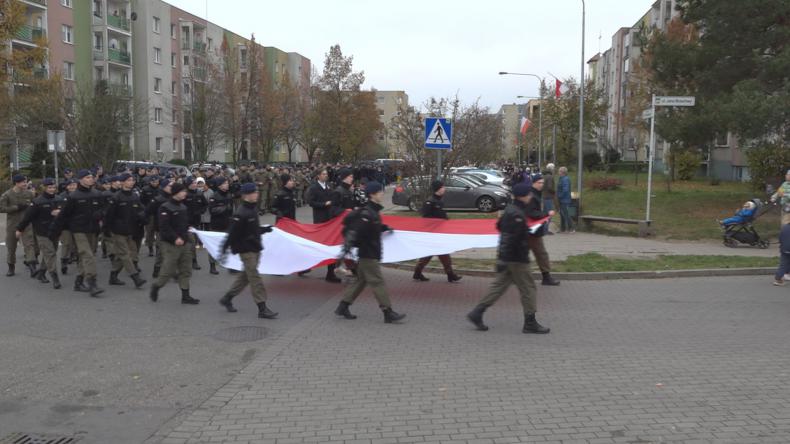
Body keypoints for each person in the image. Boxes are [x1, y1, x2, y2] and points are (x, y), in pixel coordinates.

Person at [467, 183, 550, 334]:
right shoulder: (517, 214)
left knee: (498, 287)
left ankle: (477, 312)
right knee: (529, 288)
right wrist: (505, 259)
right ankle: (530, 322)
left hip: (508, 258)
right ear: (523, 196)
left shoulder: (511, 210)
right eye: (528, 194)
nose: (530, 196)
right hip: (517, 259)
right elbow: (509, 239)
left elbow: (500, 227)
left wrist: (502, 259)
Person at [333, 181, 406, 323]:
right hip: (368, 254)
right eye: (380, 192)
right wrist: (345, 252)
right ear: (372, 194)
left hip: (369, 252)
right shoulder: (367, 213)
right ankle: (388, 312)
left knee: (360, 281)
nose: (382, 194)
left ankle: (343, 306)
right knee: (377, 282)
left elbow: (371, 228)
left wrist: (384, 227)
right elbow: (355, 232)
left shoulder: (373, 211)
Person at [218, 183, 277, 318]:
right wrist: (224, 250)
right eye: (253, 192)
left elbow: (252, 229)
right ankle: (262, 308)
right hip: (246, 250)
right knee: (255, 278)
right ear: (246, 195)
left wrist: (264, 229)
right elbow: (231, 233)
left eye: (256, 192)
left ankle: (227, 298)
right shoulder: (240, 213)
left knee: (245, 277)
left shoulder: (252, 209)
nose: (256, 194)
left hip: (255, 247)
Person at [50, 169, 105, 296]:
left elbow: (104, 208)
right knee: (88, 255)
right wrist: (53, 230)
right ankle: (92, 283)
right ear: (80, 180)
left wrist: (100, 214)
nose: (91, 179)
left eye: (91, 177)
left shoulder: (97, 194)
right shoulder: (73, 196)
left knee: (85, 257)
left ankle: (78, 282)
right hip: (78, 230)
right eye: (87, 177)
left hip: (93, 229)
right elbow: (63, 215)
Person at [149, 183, 200, 305]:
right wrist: (175, 238)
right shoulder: (165, 207)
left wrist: (189, 228)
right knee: (168, 270)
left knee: (186, 270)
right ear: (175, 193)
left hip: (185, 243)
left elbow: (184, 223)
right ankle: (157, 286)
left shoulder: (183, 207)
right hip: (170, 244)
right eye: (182, 191)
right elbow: (164, 227)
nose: (185, 193)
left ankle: (185, 296)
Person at [412, 180, 462, 283]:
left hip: (439, 232)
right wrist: (437, 223)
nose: (444, 189)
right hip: (432, 233)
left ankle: (418, 272)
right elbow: (426, 217)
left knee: (431, 253)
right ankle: (450, 274)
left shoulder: (439, 201)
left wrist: (446, 220)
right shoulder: (430, 202)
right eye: (442, 187)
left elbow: (441, 215)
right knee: (442, 252)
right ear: (438, 189)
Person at [103, 173, 147, 289]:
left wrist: (143, 217)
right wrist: (106, 229)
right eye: (128, 180)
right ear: (122, 182)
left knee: (125, 254)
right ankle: (136, 278)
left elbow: (140, 210)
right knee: (125, 254)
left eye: (132, 180)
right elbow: (108, 215)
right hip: (118, 231)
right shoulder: (116, 197)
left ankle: (113, 276)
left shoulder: (134, 196)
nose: (131, 182)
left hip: (130, 230)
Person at [16, 178, 61, 288]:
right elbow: (27, 217)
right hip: (42, 232)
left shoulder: (59, 199)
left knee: (50, 253)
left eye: (53, 187)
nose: (52, 189)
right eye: (49, 187)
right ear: (44, 188)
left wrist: (61, 213)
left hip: (55, 231)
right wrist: (19, 229)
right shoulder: (37, 202)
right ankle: (55, 277)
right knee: (50, 253)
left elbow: (66, 214)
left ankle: (41, 273)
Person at [307, 169, 341, 282]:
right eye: (323, 174)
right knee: (317, 246)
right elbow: (311, 202)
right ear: (318, 176)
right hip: (320, 219)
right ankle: (305, 265)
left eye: (326, 174)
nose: (326, 176)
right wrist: (323, 204)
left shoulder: (329, 185)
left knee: (330, 245)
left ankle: (330, 273)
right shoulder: (313, 188)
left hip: (330, 218)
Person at [525, 174, 560, 286]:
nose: (541, 185)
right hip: (531, 230)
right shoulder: (532, 195)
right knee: (541, 254)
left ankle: (545, 277)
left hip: (532, 229)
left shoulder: (536, 194)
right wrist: (546, 214)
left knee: (535, 254)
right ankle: (546, 277)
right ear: (533, 183)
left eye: (542, 183)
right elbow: (531, 213)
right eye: (539, 182)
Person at [1, 174, 36, 277]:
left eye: (26, 182)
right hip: (13, 224)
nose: (25, 184)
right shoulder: (7, 195)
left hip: (26, 223)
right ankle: (11, 267)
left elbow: (35, 205)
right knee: (11, 247)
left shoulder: (29, 194)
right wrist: (16, 207)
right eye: (23, 182)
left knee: (29, 245)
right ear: (16, 183)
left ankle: (32, 267)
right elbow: (1, 208)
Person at [207, 176, 234, 275]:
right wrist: (224, 208)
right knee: (214, 246)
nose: (227, 185)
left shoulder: (229, 195)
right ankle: (212, 265)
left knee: (229, 245)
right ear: (219, 185)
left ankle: (231, 265)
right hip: (216, 225)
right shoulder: (214, 196)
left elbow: (231, 210)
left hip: (228, 223)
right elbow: (212, 210)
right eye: (225, 183)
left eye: (227, 183)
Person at [184, 177, 208, 270]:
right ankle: (193, 261)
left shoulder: (199, 193)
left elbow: (205, 204)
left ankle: (191, 260)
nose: (194, 185)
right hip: (186, 223)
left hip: (196, 222)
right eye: (192, 183)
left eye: (195, 183)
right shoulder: (184, 194)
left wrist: (201, 211)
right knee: (192, 242)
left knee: (192, 242)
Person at [556, 166, 575, 233]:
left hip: (565, 199)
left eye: (559, 171)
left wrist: (559, 196)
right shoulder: (561, 178)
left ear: (562, 172)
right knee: (562, 214)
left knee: (566, 214)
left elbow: (565, 190)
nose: (558, 172)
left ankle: (571, 228)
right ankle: (562, 228)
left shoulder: (565, 179)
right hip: (562, 199)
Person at [542, 163, 556, 235]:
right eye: (553, 168)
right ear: (551, 169)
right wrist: (554, 192)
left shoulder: (544, 176)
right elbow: (550, 187)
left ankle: (543, 229)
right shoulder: (550, 177)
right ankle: (545, 229)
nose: (554, 170)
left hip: (544, 197)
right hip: (549, 197)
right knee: (549, 213)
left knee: (545, 214)